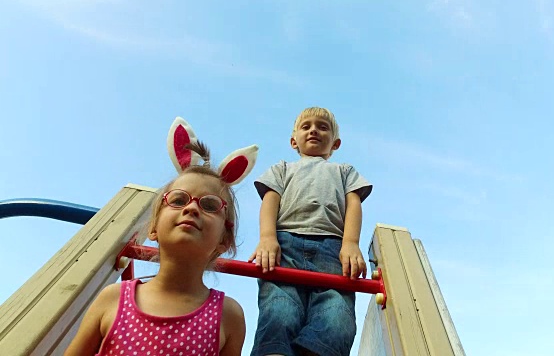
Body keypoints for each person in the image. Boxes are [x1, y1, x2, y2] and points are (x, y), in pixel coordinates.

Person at [65, 117, 259, 356]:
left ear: (224, 240)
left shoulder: (229, 316)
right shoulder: (112, 299)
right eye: (178, 200)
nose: (192, 208)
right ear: (153, 227)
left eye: (209, 206)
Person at [249, 107, 373, 356]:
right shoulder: (282, 168)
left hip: (332, 248)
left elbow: (353, 205)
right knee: (280, 306)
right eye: (306, 126)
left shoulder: (344, 171)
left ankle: (317, 351)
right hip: (285, 244)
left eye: (322, 127)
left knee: (336, 312)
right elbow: (270, 202)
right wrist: (267, 238)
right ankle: (276, 351)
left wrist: (350, 243)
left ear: (335, 143)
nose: (314, 130)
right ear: (293, 140)